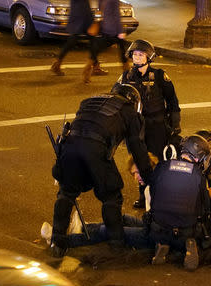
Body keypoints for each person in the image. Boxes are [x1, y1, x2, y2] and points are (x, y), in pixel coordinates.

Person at [49, 83, 152, 258]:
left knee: (66, 193)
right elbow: (137, 147)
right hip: (96, 147)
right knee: (111, 195)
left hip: (68, 146)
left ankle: (57, 242)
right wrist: (150, 176)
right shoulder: (128, 110)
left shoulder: (88, 101)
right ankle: (116, 244)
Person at [115, 39, 182, 209]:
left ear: (148, 57)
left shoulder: (160, 76)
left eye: (140, 54)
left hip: (157, 125)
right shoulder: (125, 77)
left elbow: (172, 101)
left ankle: (158, 194)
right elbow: (115, 99)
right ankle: (143, 194)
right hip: (135, 126)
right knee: (139, 160)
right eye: (134, 55)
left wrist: (175, 125)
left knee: (157, 160)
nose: (137, 58)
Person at [147, 135, 211, 271]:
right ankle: (189, 242)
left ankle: (162, 242)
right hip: (187, 228)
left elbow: (152, 192)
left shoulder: (162, 166)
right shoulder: (199, 175)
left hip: (159, 226)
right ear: (198, 155)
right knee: (199, 225)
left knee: (156, 224)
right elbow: (205, 206)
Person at [50, 0, 106, 83]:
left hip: (78, 10)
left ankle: (57, 64)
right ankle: (91, 68)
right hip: (83, 12)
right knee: (92, 39)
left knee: (74, 39)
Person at [84, 0, 131, 83]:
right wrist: (120, 31)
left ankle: (87, 69)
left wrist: (98, 23)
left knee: (97, 48)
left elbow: (99, 11)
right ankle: (128, 75)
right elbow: (116, 15)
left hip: (105, 27)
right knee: (123, 52)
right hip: (114, 29)